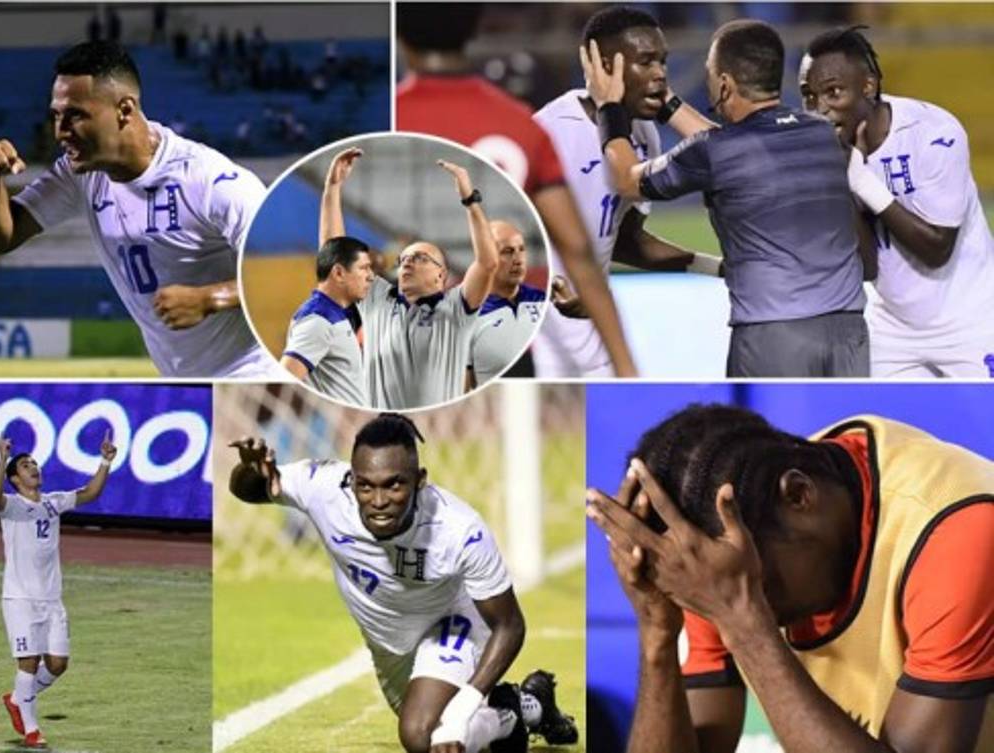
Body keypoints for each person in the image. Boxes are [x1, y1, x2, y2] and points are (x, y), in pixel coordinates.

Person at [585, 404, 993, 753]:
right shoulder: (717, 556)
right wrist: (657, 632)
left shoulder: (958, 531)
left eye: (758, 586)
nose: (736, 600)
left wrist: (743, 621)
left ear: (799, 495)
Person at [228, 414, 579, 753]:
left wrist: (460, 711)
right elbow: (253, 488)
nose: (378, 502)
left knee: (420, 735)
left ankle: (501, 714)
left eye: (393, 484)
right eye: (365, 486)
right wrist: (250, 469)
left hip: (450, 625)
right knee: (437, 732)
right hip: (388, 647)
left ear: (419, 479)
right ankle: (522, 709)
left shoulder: (459, 530)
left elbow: (510, 626)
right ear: (351, 480)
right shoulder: (323, 487)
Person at [586, 19, 874, 377]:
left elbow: (627, 179)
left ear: (724, 83)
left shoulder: (715, 152)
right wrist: (667, 104)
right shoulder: (822, 134)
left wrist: (608, 108)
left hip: (773, 336)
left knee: (770, 432)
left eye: (709, 72)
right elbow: (740, 148)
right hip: (848, 332)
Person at [0, 41, 272, 377]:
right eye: (56, 116)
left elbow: (297, 268)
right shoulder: (81, 174)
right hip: (180, 377)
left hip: (254, 371)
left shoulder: (210, 181)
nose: (60, 132)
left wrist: (209, 298)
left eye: (76, 116)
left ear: (125, 110)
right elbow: (2, 237)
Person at [395, 2, 637, 377]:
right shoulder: (520, 124)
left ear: (398, 35)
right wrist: (626, 367)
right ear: (475, 28)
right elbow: (578, 253)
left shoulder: (390, 119)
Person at [532, 6, 722, 377]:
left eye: (663, 61)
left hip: (596, 331)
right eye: (646, 62)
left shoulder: (642, 132)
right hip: (542, 334)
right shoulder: (548, 132)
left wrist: (717, 267)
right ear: (603, 67)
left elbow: (626, 240)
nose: (660, 74)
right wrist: (551, 284)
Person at [800, 26, 994, 378]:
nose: (820, 110)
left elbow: (937, 248)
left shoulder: (933, 133)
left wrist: (862, 181)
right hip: (893, 327)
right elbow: (868, 268)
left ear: (868, 86)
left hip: (972, 318)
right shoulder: (824, 156)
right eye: (809, 97)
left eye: (832, 92)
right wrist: (842, 181)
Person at [320, 148, 498, 409]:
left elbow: (488, 263)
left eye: (420, 258)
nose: (408, 263)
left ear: (441, 275)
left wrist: (470, 200)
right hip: (380, 420)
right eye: (403, 260)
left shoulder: (455, 308)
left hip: (437, 427)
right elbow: (333, 256)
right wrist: (333, 188)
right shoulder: (376, 299)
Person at [0, 431, 117, 749]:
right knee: (29, 661)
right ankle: (32, 731)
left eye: (34, 463)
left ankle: (18, 698)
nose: (33, 467)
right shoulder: (12, 507)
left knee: (59, 664)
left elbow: (90, 492)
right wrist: (3, 459)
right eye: (25, 466)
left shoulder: (53, 502)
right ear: (15, 479)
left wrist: (105, 460)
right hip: (20, 598)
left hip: (51, 599)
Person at [280, 236, 374, 406]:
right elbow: (286, 378)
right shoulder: (318, 321)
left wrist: (331, 207)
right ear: (338, 273)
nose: (371, 276)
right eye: (364, 268)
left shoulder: (337, 311)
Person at [466, 220, 546, 388]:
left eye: (521, 250)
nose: (518, 260)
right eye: (507, 252)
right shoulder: (466, 316)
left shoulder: (542, 300)